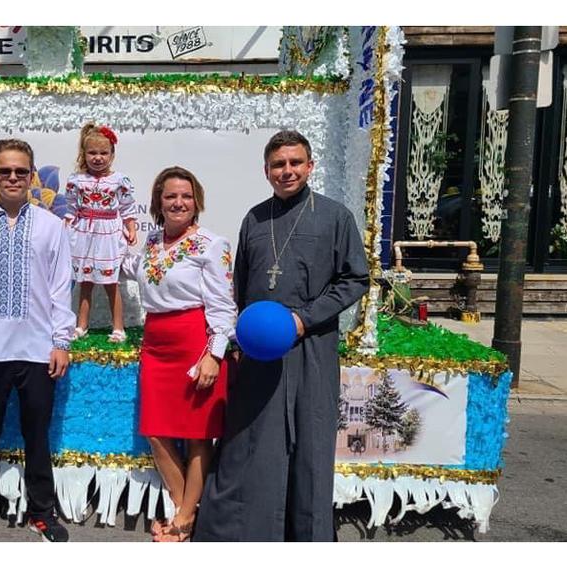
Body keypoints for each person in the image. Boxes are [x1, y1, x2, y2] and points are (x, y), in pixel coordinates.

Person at [194, 130, 370, 541]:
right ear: (266, 170)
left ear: (310, 166)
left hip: (311, 348)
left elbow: (354, 278)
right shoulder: (255, 219)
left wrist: (303, 320)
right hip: (260, 355)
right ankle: (246, 535)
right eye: (278, 164)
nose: (287, 171)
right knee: (254, 443)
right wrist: (238, 342)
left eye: (295, 163)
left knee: (310, 446)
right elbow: (242, 284)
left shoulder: (335, 217)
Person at [0, 139, 76, 542]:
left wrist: (61, 342)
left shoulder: (51, 226)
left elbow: (61, 289)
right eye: (5, 171)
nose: (13, 178)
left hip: (38, 351)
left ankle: (43, 512)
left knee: (36, 437)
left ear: (33, 175)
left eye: (21, 171)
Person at [121, 166, 236, 542]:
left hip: (193, 342)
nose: (178, 202)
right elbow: (134, 274)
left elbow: (223, 306)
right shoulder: (151, 242)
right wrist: (120, 243)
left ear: (196, 201)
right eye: (170, 196)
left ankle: (183, 520)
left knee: (199, 435)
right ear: (158, 202)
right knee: (156, 431)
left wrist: (213, 355)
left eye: (185, 196)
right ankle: (184, 505)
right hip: (156, 343)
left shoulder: (210, 244)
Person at [64, 123, 138, 343]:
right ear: (84, 154)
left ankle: (118, 327)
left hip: (108, 233)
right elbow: (70, 207)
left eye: (103, 153)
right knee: (84, 281)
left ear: (112, 155)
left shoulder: (119, 180)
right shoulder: (76, 180)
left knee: (111, 282)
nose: (98, 158)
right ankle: (81, 325)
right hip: (85, 232)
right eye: (92, 153)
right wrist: (66, 226)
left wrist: (131, 227)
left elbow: (127, 207)